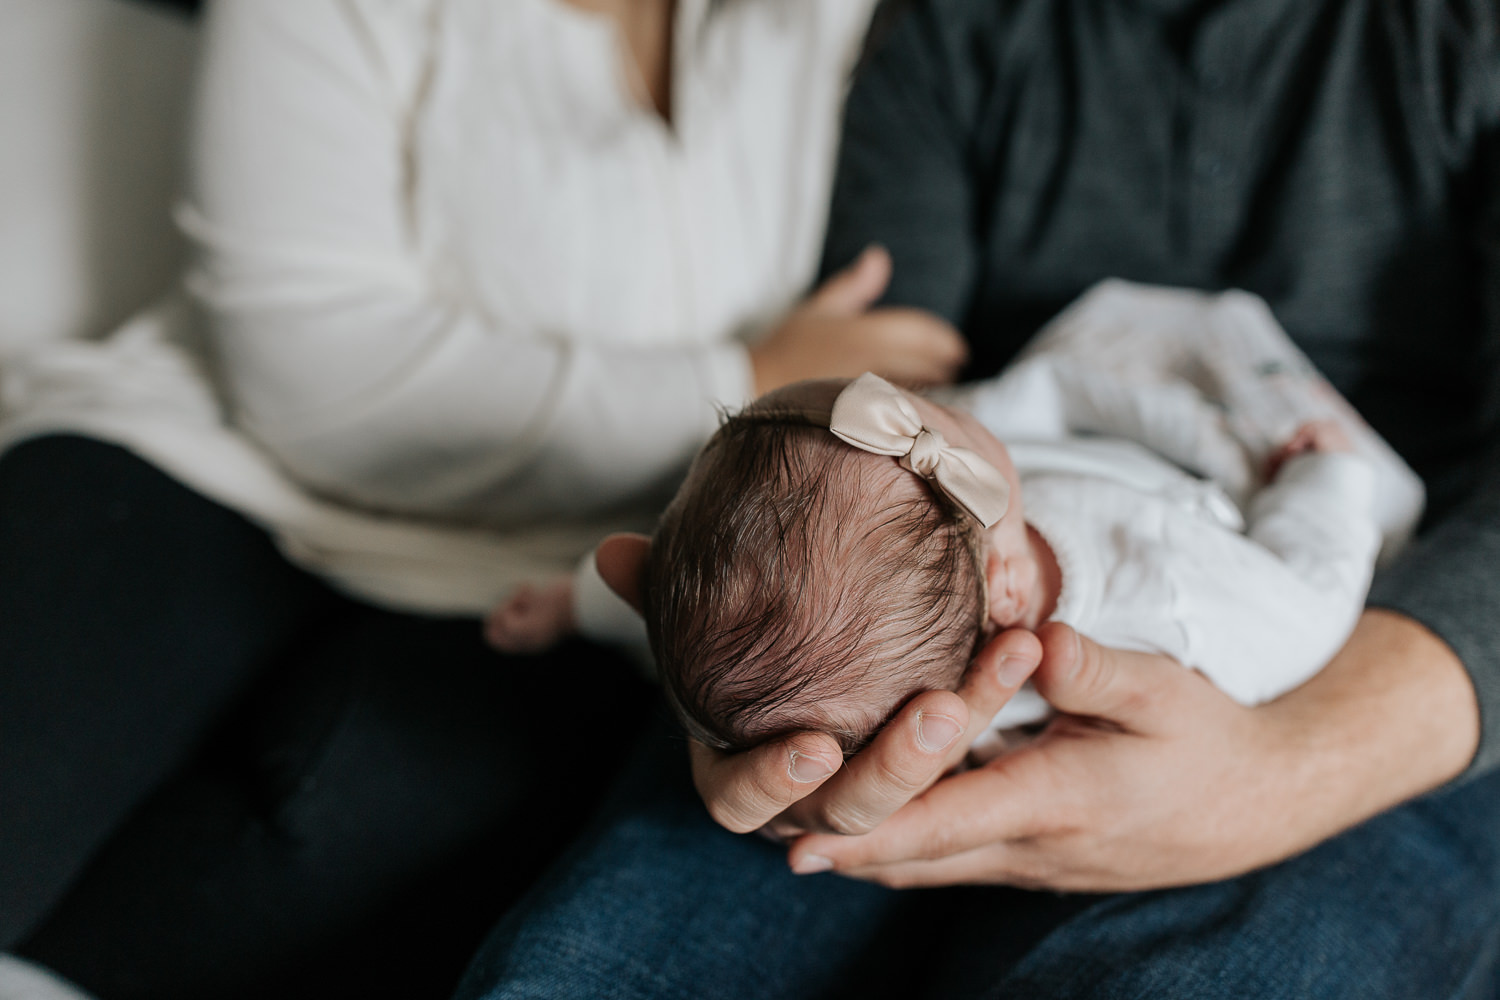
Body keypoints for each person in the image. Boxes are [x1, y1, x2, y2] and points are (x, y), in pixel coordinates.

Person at [454, 0, 1500, 996]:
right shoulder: (959, 35)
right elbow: (837, 484)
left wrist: (1290, 767)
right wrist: (731, 696)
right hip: (896, 685)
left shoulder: (1456, 44)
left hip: (1401, 640)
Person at [0, 1, 968, 996]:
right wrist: (746, 370)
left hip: (543, 582)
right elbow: (315, 379)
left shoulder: (825, 26)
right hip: (205, 468)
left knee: (309, 857)